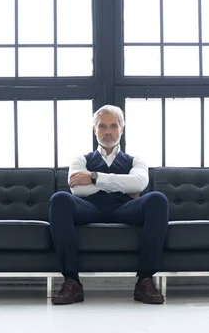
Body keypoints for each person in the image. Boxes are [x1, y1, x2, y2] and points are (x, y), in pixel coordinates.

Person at [48, 105, 169, 305]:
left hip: (125, 209)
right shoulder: (81, 159)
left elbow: (139, 183)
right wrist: (122, 184)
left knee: (157, 200)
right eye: (102, 126)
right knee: (60, 199)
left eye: (113, 126)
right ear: (94, 129)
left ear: (122, 128)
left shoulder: (135, 160)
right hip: (89, 208)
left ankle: (145, 281)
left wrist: (94, 177)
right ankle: (72, 281)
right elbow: (77, 190)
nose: (108, 132)